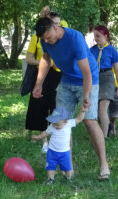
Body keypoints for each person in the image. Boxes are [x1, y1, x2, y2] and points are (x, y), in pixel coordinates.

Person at [33, 17, 110, 180]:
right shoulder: (46, 39)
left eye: (48, 36)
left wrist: (87, 95)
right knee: (61, 121)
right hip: (66, 80)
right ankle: (69, 169)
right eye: (44, 39)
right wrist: (38, 83)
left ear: (56, 27)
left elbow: (87, 72)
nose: (47, 41)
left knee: (89, 121)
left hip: (87, 80)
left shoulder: (74, 38)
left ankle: (104, 166)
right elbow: (46, 59)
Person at [25, 10, 67, 153]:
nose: (56, 26)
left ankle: (57, 139)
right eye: (53, 23)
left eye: (58, 24)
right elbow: (29, 59)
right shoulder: (37, 38)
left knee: (57, 107)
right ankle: (44, 142)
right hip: (42, 76)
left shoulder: (63, 38)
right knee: (41, 108)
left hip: (58, 77)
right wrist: (45, 63)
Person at [31, 106, 86, 184]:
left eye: (57, 125)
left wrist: (82, 112)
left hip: (65, 152)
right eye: (53, 123)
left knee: (67, 167)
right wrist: (38, 137)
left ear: (65, 121)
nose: (55, 126)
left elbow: (79, 119)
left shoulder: (69, 124)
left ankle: (68, 178)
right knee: (50, 166)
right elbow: (45, 133)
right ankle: (50, 179)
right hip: (52, 151)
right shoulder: (52, 126)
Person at [90, 25, 118, 138]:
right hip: (94, 78)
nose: (96, 38)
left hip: (107, 78)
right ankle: (108, 126)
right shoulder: (92, 50)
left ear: (105, 36)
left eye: (98, 36)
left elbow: (117, 70)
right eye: (94, 36)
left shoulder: (112, 50)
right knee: (97, 112)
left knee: (103, 108)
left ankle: (103, 137)